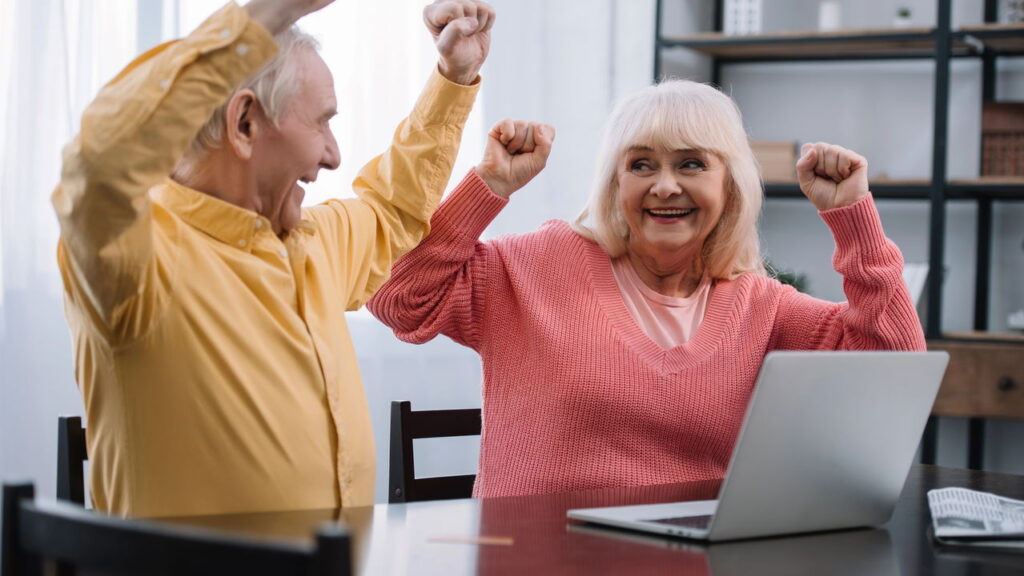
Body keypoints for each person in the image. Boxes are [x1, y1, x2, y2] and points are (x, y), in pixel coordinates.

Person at [367, 80, 927, 498]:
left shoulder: (760, 303)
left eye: (690, 164)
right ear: (616, 183)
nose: (664, 185)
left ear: (727, 185)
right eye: (641, 165)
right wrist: (486, 186)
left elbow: (893, 368)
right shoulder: (535, 266)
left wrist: (853, 218)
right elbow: (395, 296)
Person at [53, 0, 494, 518]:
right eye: (322, 123)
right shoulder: (137, 260)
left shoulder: (312, 239)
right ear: (244, 123)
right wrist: (266, 14)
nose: (333, 154)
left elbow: (391, 207)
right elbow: (97, 165)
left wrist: (453, 77)